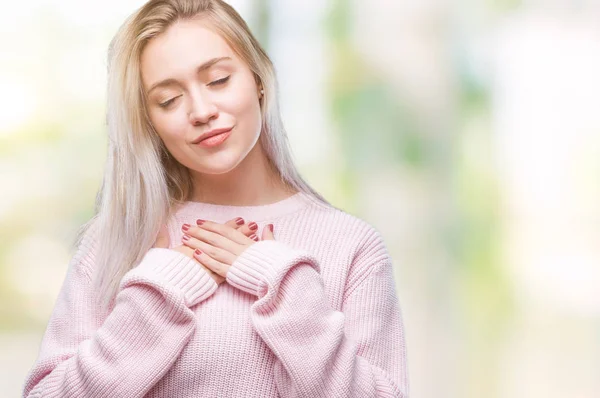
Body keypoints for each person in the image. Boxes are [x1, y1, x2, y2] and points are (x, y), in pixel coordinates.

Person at [22, 0, 409, 397]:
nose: (202, 111)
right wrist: (156, 297)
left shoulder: (352, 246)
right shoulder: (114, 243)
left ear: (258, 77)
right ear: (150, 122)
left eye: (219, 80)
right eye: (169, 100)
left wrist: (286, 290)